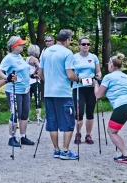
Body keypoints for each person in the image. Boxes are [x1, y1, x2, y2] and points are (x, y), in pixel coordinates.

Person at [38, 29, 80, 160]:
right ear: (67, 39)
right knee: (68, 122)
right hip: (63, 92)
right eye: (70, 40)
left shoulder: (46, 51)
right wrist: (78, 78)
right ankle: (66, 151)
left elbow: (40, 73)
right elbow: (70, 75)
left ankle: (56, 150)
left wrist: (49, 81)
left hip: (49, 93)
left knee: (52, 122)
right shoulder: (67, 53)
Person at [0, 36, 35, 147]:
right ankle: (11, 138)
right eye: (20, 44)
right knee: (15, 114)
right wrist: (7, 78)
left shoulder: (19, 57)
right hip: (14, 90)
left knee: (24, 114)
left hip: (25, 89)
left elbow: (23, 72)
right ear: (14, 46)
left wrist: (32, 75)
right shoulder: (9, 58)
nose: (23, 46)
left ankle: (23, 137)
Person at [72, 36, 102, 145]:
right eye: (83, 44)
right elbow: (71, 74)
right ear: (79, 45)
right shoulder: (74, 57)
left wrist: (97, 78)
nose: (86, 46)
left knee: (90, 112)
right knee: (79, 113)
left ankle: (88, 135)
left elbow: (98, 72)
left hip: (91, 89)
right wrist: (82, 80)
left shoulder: (93, 57)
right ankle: (78, 133)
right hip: (78, 88)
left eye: (88, 44)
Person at [26, 44, 42, 124]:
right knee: (37, 99)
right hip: (35, 81)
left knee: (27, 100)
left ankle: (26, 117)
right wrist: (36, 72)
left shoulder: (27, 59)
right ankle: (38, 117)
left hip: (28, 81)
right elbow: (40, 66)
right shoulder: (35, 59)